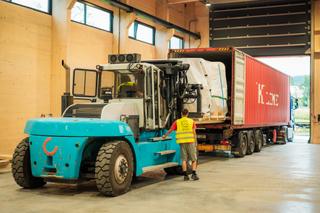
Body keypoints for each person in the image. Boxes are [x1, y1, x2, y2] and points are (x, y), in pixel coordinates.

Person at [162, 108, 199, 181]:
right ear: (187, 114)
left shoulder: (177, 122)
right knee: (194, 159)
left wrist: (165, 136)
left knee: (184, 159)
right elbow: (194, 133)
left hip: (182, 142)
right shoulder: (191, 121)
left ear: (181, 114)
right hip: (190, 142)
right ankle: (194, 174)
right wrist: (196, 142)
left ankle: (185, 176)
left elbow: (170, 130)